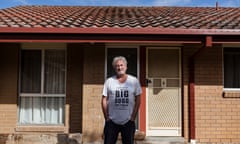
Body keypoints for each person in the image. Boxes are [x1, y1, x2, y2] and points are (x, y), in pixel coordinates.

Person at [101, 56, 142, 144]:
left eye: (121, 65)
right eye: (117, 66)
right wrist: (107, 117)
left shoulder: (134, 81)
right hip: (111, 121)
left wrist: (133, 117)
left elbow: (138, 99)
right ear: (114, 68)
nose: (119, 68)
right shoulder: (109, 81)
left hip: (128, 121)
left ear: (126, 66)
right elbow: (104, 99)